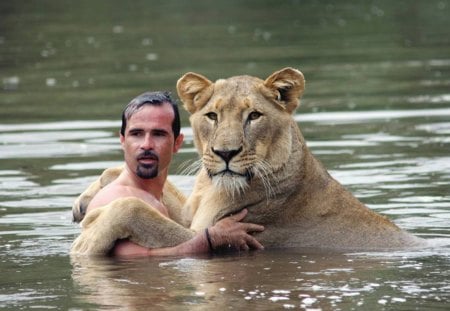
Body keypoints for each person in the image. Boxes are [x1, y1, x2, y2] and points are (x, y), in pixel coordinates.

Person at [85, 91, 264, 256]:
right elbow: (135, 262)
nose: (146, 144)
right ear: (122, 140)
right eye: (137, 134)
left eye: (158, 134)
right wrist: (211, 239)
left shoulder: (162, 198)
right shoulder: (112, 199)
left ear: (177, 143)